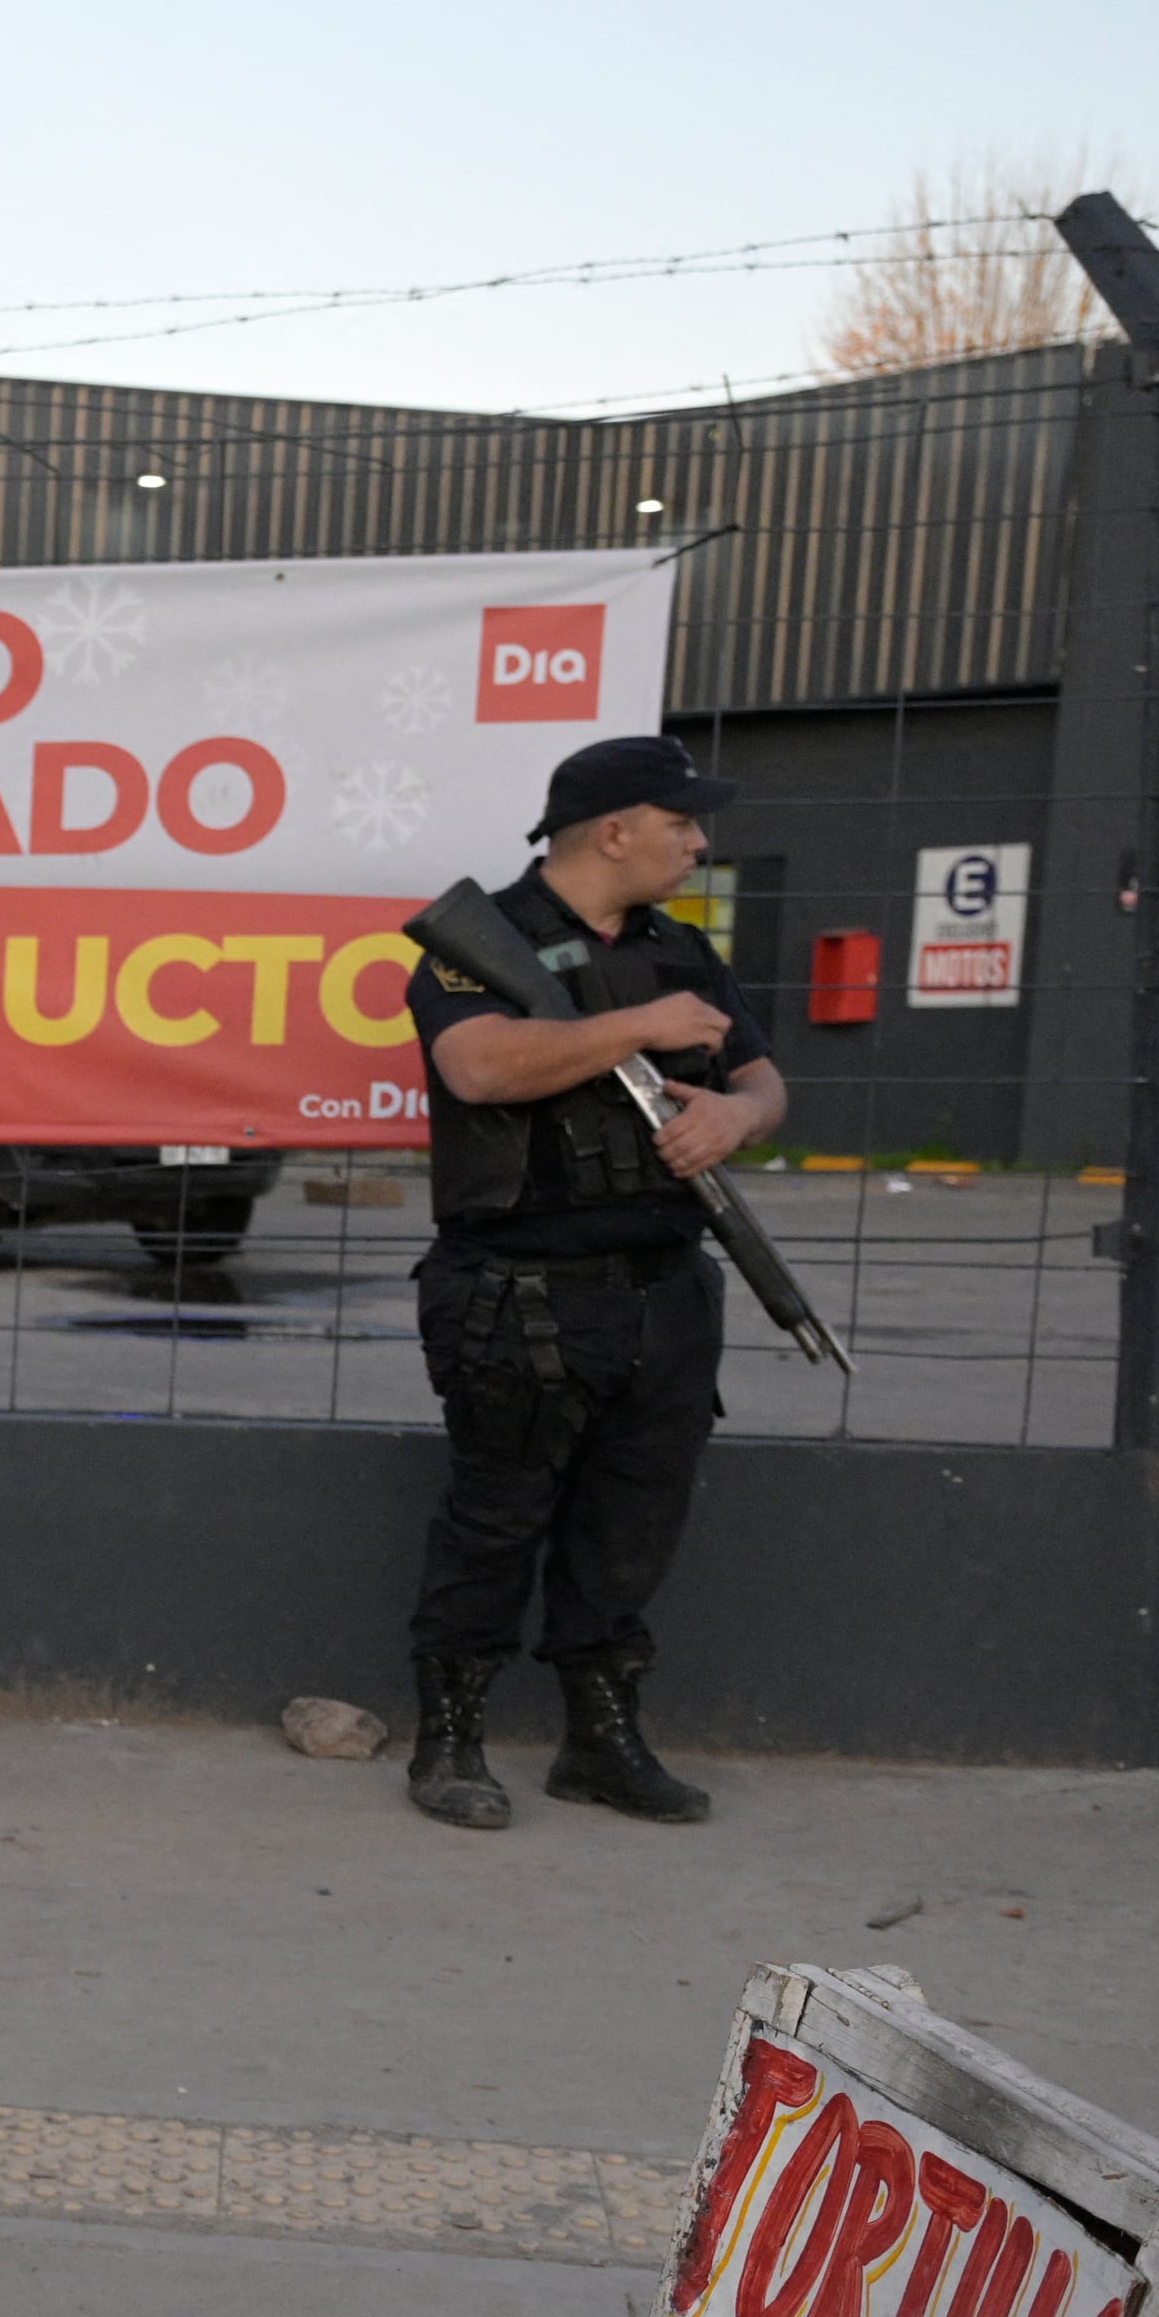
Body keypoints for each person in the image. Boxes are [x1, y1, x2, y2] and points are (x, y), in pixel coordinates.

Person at [396, 733, 790, 1832]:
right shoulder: (477, 940)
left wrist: (733, 1115)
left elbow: (762, 1079)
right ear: (612, 831)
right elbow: (477, 1064)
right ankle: (449, 1742)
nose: (698, 842)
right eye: (680, 824)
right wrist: (640, 1029)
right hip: (519, 1288)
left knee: (630, 1526)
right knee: (494, 1521)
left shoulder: (679, 947)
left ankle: (598, 1743)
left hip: (664, 1286)